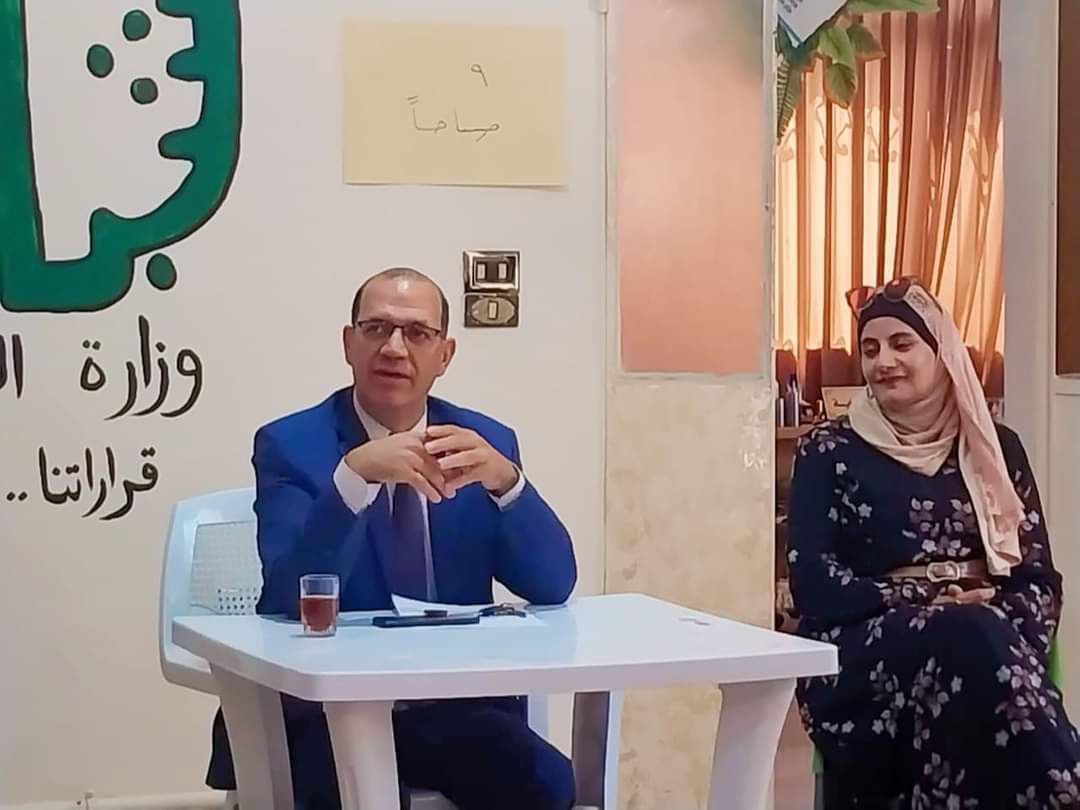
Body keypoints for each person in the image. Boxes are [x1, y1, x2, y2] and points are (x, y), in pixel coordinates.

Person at [206, 267, 578, 810]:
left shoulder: (482, 441)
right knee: (358, 793)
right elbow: (288, 599)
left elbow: (553, 584)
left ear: (445, 354)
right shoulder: (291, 444)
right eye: (376, 329)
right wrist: (353, 478)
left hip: (451, 706)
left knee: (548, 783)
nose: (395, 348)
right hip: (322, 711)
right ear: (348, 344)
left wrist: (507, 482)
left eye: (417, 333)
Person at [788, 277, 1080, 808]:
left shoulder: (995, 448)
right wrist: (928, 601)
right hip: (865, 656)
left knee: (973, 646)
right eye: (870, 349)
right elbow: (813, 583)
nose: (884, 362)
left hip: (988, 648)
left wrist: (999, 620)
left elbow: (1037, 578)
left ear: (941, 351)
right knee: (965, 634)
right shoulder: (828, 451)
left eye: (902, 344)